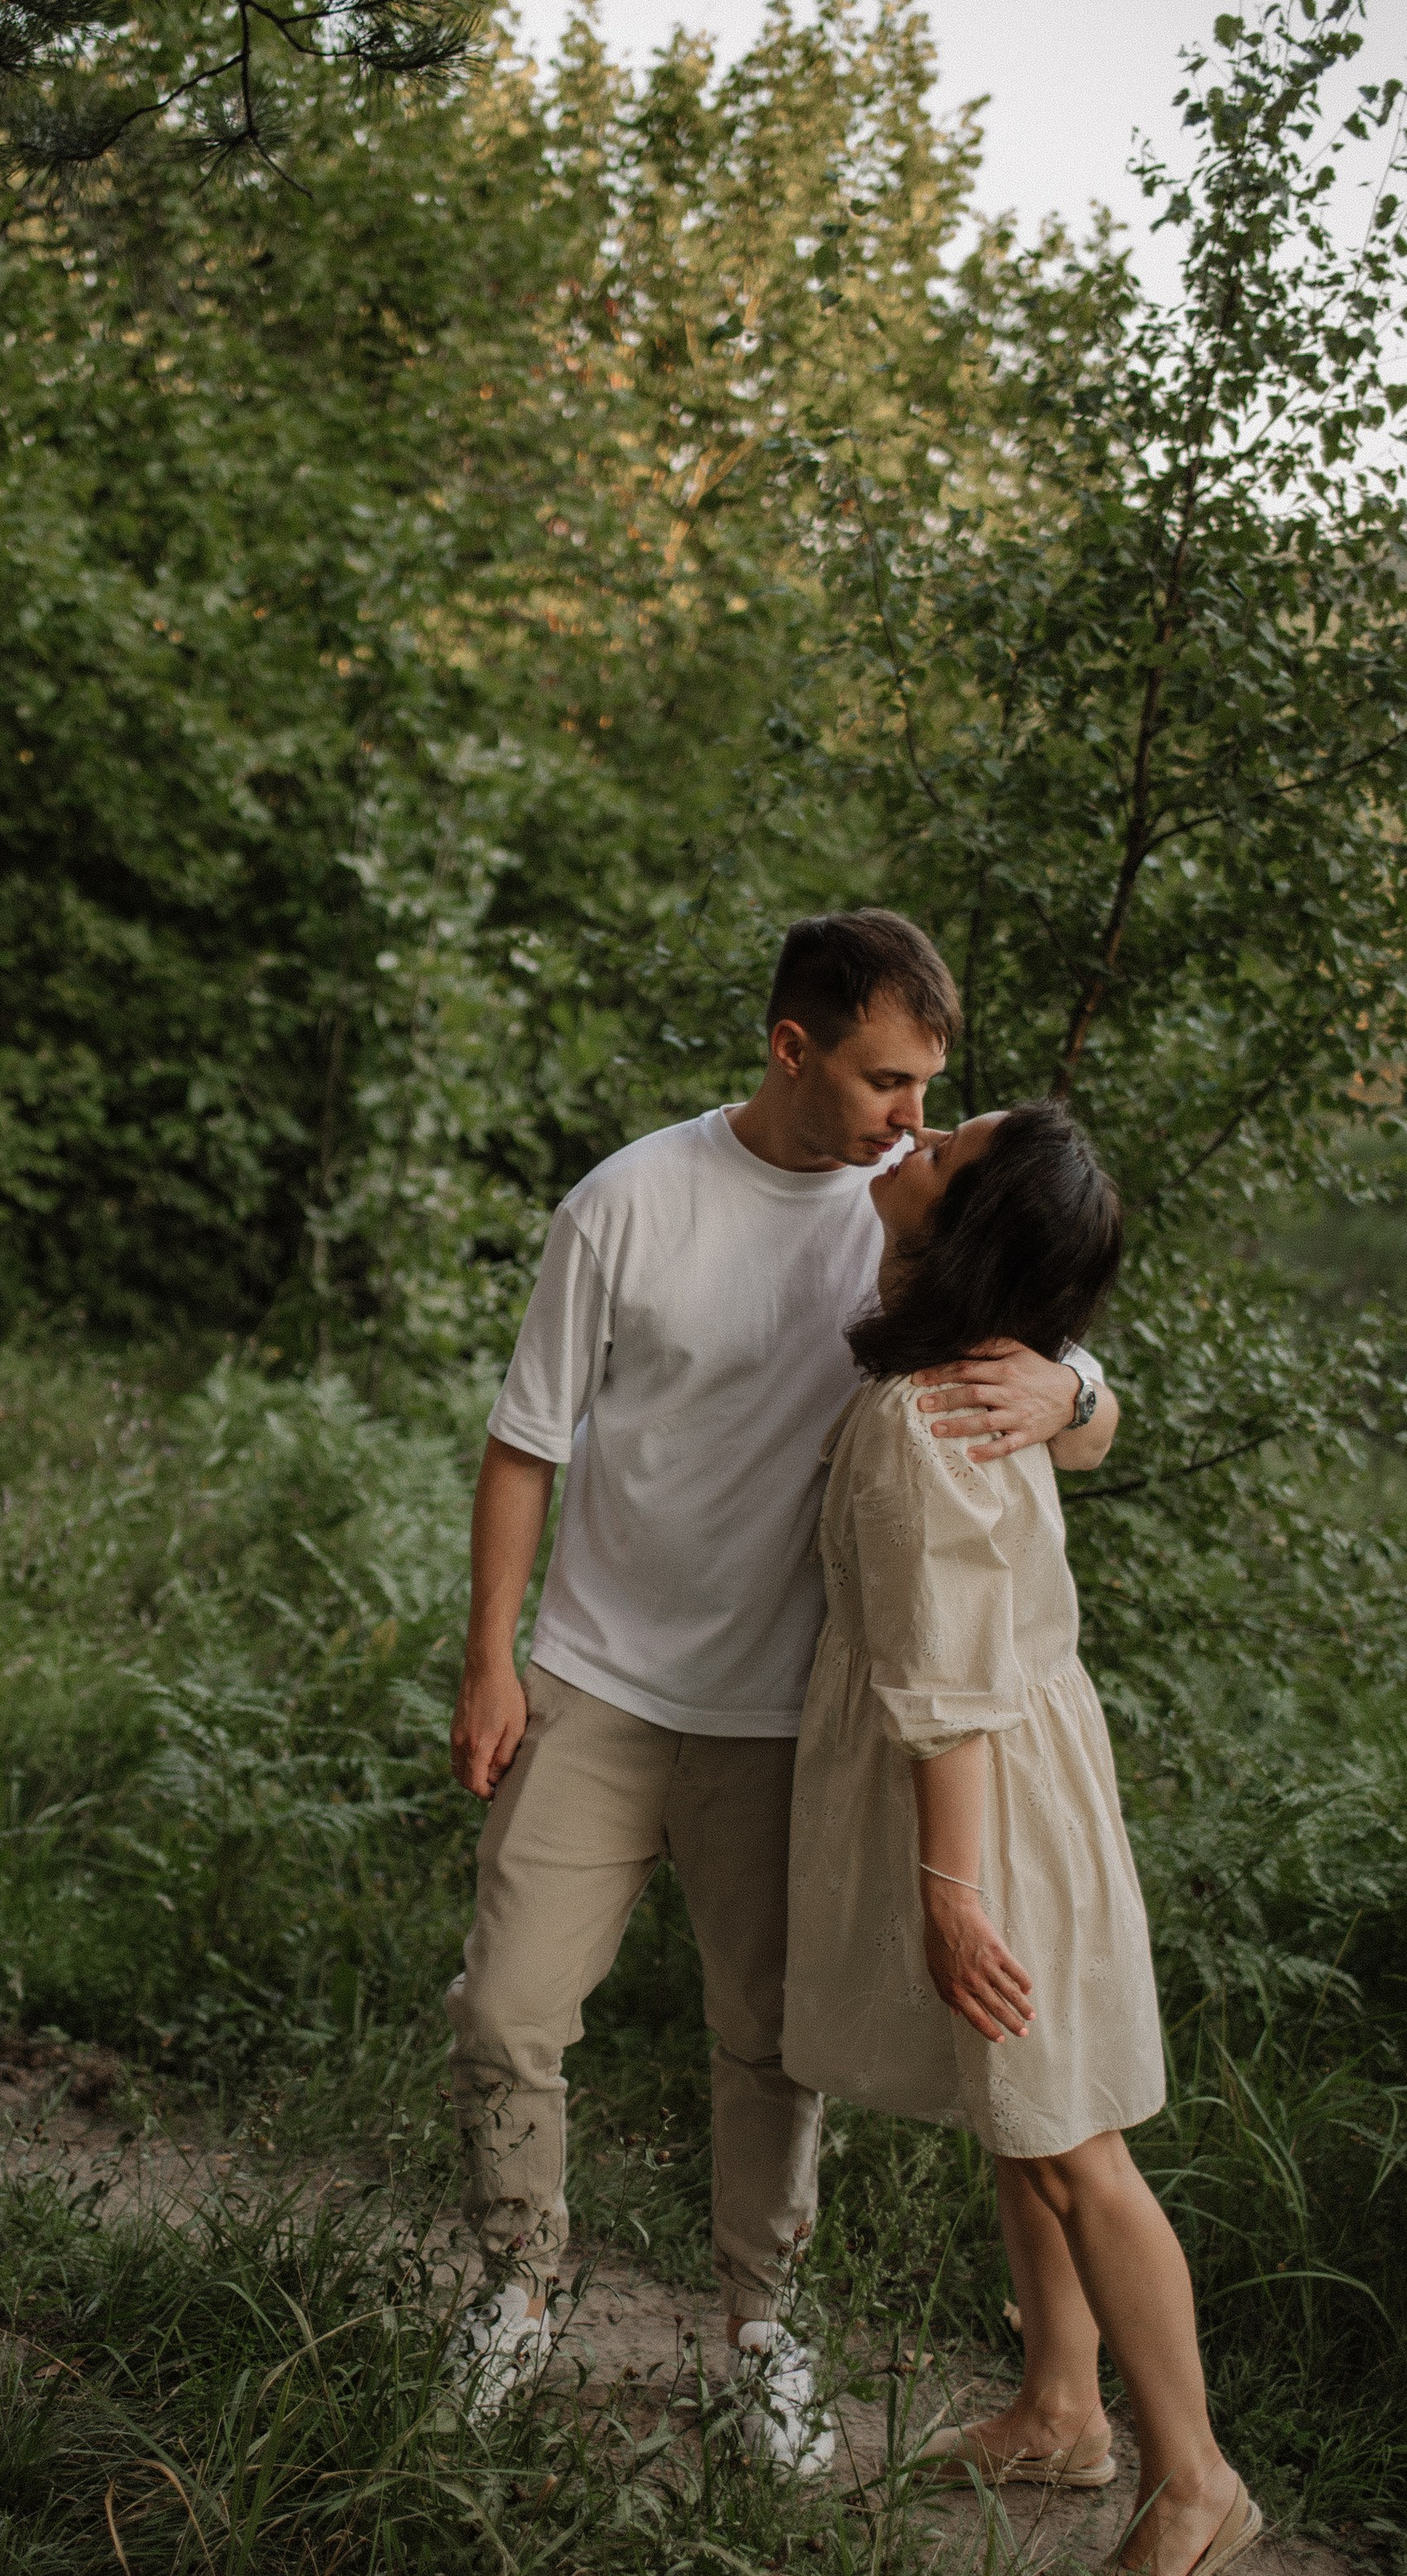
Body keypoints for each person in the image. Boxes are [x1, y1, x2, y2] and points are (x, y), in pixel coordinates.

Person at [445, 910, 1121, 2450]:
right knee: (507, 2010)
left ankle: (762, 2323)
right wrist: (491, 1660)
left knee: (770, 2045)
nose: (915, 1120)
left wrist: (1075, 1381)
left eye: (932, 1088)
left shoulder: (916, 1221)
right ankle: (517, 2291)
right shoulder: (626, 1203)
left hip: (789, 1722)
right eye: (889, 1082)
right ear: (790, 1048)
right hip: (597, 1688)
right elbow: (523, 1443)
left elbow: (1061, 1376)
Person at [783, 1103, 1259, 2576]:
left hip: (988, 1782)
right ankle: (1062, 2408)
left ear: (966, 1238)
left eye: (940, 1153)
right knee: (1017, 2104)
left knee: (1069, 2136)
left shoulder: (939, 1415)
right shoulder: (949, 1376)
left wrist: (952, 1891)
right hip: (1006, 1759)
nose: (907, 1144)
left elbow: (951, 1698)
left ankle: (1200, 2483)